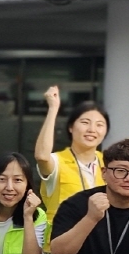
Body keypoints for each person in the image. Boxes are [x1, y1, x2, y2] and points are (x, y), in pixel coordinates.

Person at [33, 87, 108, 216]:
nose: (92, 129)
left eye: (100, 125)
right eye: (85, 122)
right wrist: (53, 108)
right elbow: (42, 156)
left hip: (101, 235)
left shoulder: (109, 163)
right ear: (71, 127)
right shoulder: (57, 162)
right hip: (62, 234)